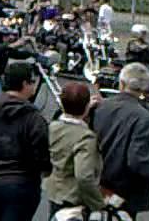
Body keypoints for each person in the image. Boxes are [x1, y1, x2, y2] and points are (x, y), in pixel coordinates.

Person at [92, 62, 149, 219]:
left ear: (121, 83)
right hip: (123, 192)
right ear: (144, 89)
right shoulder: (144, 117)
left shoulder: (100, 107)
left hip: (95, 184)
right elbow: (137, 161)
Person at [0, 62, 51, 221]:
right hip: (21, 185)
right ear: (25, 84)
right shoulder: (33, 118)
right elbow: (41, 154)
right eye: (32, 82)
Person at [45, 82, 105, 218]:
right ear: (86, 107)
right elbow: (84, 176)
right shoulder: (85, 137)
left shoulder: (53, 127)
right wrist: (98, 203)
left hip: (56, 192)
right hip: (74, 199)